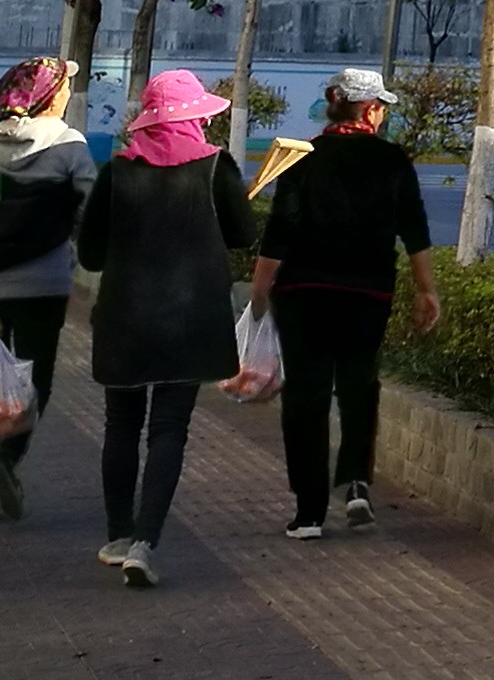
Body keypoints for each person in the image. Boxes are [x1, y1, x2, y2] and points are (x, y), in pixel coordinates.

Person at [77, 68, 252, 587]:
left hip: (125, 316)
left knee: (121, 425)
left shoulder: (116, 172)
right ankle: (145, 543)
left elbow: (88, 254)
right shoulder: (216, 167)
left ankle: (117, 534)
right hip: (190, 318)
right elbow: (244, 236)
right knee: (169, 429)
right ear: (195, 118)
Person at [249, 67, 439, 538]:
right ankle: (355, 482)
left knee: (306, 396)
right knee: (358, 385)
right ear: (370, 109)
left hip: (303, 294)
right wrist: (426, 290)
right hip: (367, 294)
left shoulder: (303, 159)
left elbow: (281, 230)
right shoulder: (393, 160)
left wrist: (258, 291)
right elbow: (414, 231)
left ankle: (309, 513)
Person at [0, 55, 89, 524]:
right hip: (46, 282)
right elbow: (88, 209)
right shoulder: (70, 145)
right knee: (36, 380)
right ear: (51, 97)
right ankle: (7, 460)